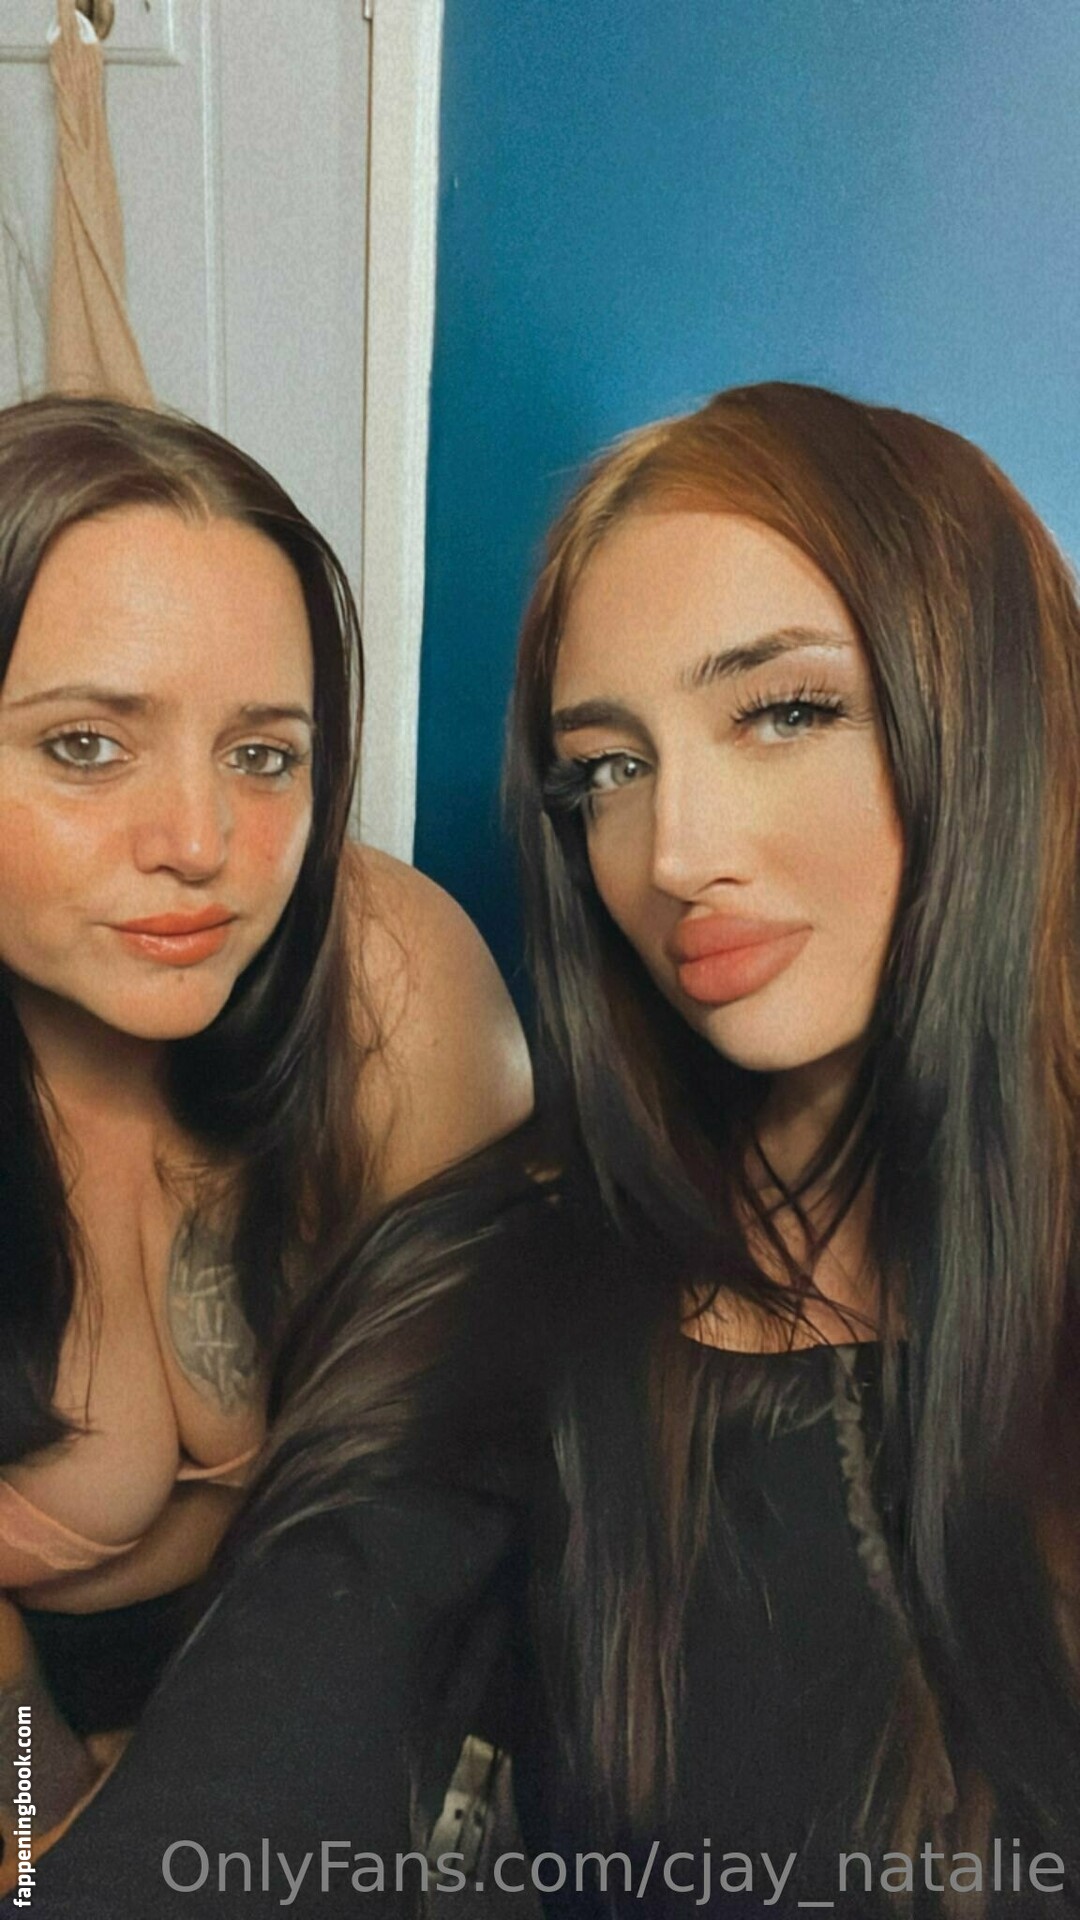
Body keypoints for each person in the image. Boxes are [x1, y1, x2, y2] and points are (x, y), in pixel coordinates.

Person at [16, 382, 1080, 1917]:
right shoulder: (513, 1289)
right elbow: (323, 1651)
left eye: (784, 711)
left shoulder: (381, 986)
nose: (673, 854)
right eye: (606, 770)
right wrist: (44, 1830)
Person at [0, 394, 531, 1873]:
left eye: (263, 755)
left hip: (356, 1682)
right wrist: (54, 1830)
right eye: (87, 745)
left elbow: (469, 1478)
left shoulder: (392, 981)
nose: (200, 843)